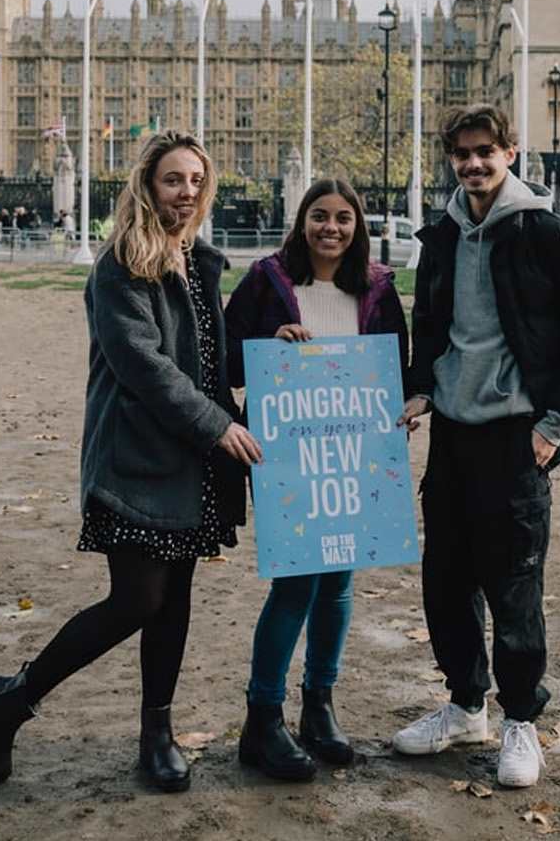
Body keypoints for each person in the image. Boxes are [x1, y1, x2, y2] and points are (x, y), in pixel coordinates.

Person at [0, 130, 258, 794]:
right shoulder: (123, 264)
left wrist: (277, 344)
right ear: (147, 187)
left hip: (191, 460)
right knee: (136, 598)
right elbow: (144, 367)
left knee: (174, 597)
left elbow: (209, 362)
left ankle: (157, 733)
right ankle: (12, 699)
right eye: (172, 180)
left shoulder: (202, 261)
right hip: (136, 457)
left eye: (194, 181)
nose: (185, 192)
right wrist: (218, 427)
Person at [389, 103, 560, 791]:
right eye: (462, 153)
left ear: (510, 152)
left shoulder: (550, 234)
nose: (473, 164)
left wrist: (556, 425)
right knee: (446, 581)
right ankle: (466, 706)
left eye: (485, 151)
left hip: (518, 435)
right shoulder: (441, 236)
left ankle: (520, 718)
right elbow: (431, 324)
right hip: (455, 433)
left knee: (514, 583)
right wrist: (421, 387)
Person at [222, 179, 408, 782]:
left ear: (359, 226)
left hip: (352, 456)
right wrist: (270, 345)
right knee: (295, 584)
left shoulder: (377, 287)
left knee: (339, 585)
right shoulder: (268, 279)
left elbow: (395, 369)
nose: (331, 228)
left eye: (344, 219)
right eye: (320, 216)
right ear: (302, 221)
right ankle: (263, 716)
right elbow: (224, 359)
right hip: (286, 456)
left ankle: (319, 704)